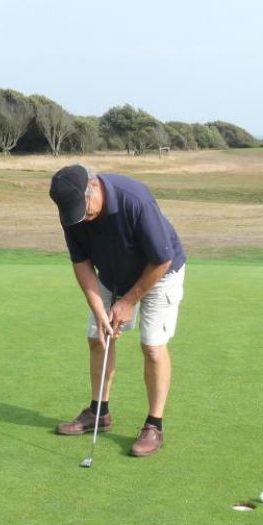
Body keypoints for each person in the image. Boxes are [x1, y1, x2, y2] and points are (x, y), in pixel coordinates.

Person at [49, 164, 186, 457]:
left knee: (152, 347)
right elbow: (81, 263)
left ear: (94, 187)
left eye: (85, 211)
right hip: (111, 275)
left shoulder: (135, 200)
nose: (82, 219)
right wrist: (99, 308)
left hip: (160, 273)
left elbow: (162, 259)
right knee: (98, 338)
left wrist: (128, 301)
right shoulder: (72, 213)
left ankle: (154, 426)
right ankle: (99, 413)